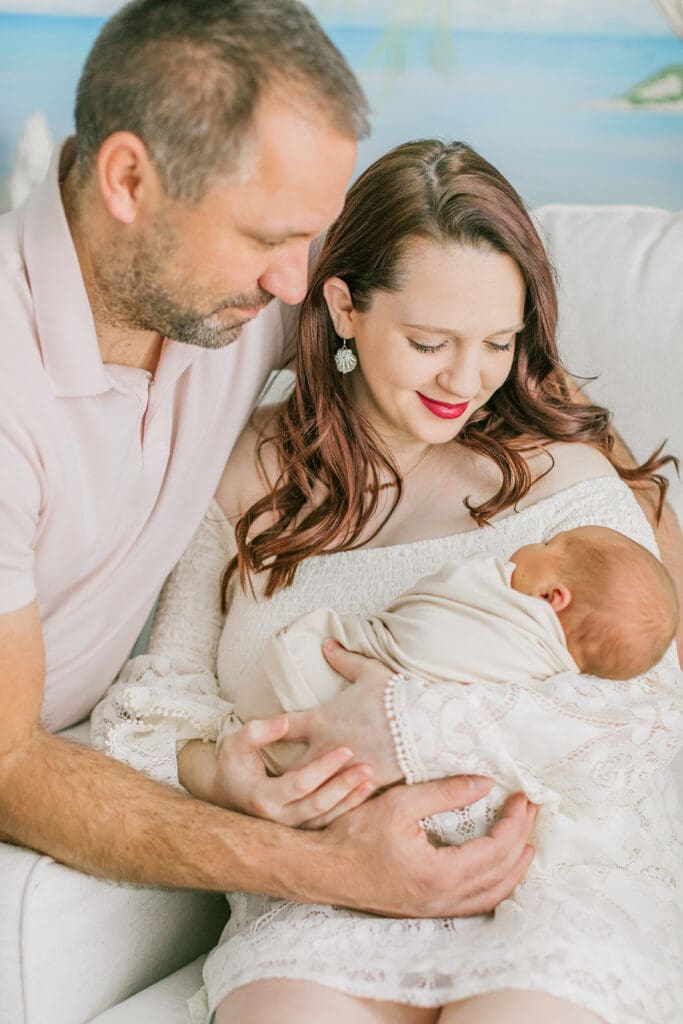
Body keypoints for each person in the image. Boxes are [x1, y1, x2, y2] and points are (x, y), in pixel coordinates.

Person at [94, 139, 683, 1024]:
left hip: (545, 882)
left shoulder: (563, 475)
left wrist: (409, 729)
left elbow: (643, 722)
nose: (465, 380)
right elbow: (160, 705)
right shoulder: (248, 472)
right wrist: (227, 782)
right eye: (427, 341)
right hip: (328, 887)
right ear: (343, 306)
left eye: (497, 342)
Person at [0, 0, 537, 928]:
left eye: (311, 234)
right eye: (268, 238)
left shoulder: (227, 290)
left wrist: (609, 488)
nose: (297, 285)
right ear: (130, 178)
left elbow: (436, 339)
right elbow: (6, 763)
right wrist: (329, 866)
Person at [216, 525, 679, 776]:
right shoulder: (543, 680)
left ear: (552, 597)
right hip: (341, 770)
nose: (528, 545)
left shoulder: (543, 688)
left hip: (298, 679)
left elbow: (445, 591)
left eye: (546, 543)